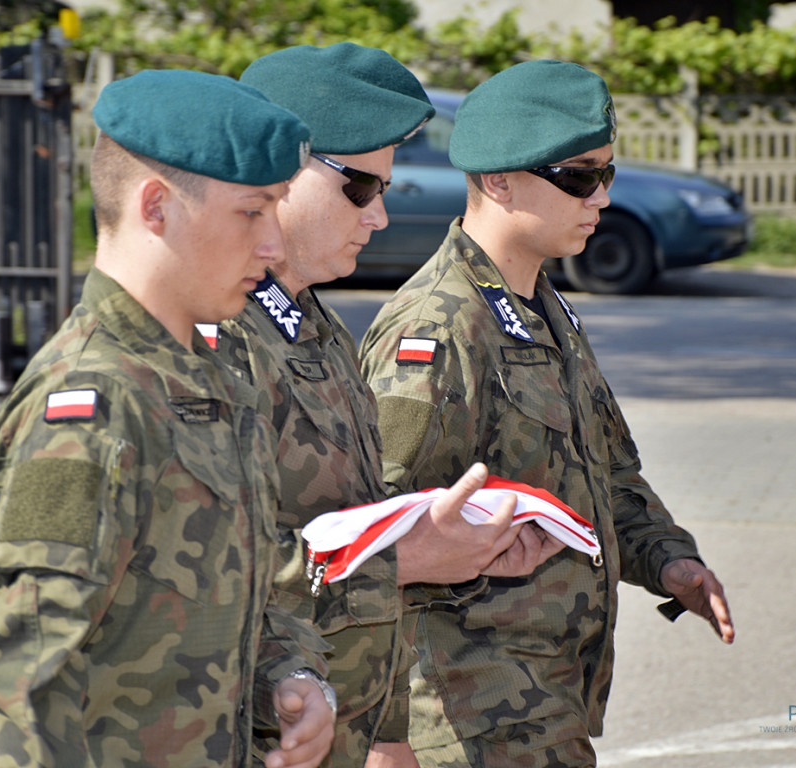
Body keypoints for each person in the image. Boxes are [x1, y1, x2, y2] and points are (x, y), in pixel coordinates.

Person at [359, 60, 735, 768]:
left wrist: (669, 559)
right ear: (498, 179)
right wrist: (384, 737)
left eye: (608, 174)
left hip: (543, 698)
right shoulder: (441, 326)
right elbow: (373, 535)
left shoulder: (542, 304)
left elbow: (604, 467)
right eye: (579, 176)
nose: (600, 197)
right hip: (464, 714)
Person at [0, 69, 336, 768]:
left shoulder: (211, 374)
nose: (273, 246)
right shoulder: (91, 406)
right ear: (156, 206)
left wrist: (287, 676)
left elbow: (223, 599)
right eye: (252, 212)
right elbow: (17, 695)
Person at [217, 44, 563, 767]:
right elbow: (202, 572)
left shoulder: (320, 333)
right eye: (360, 189)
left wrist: (388, 728)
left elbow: (355, 528)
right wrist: (407, 558)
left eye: (386, 192)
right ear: (283, 169)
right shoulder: (212, 342)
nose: (377, 218)